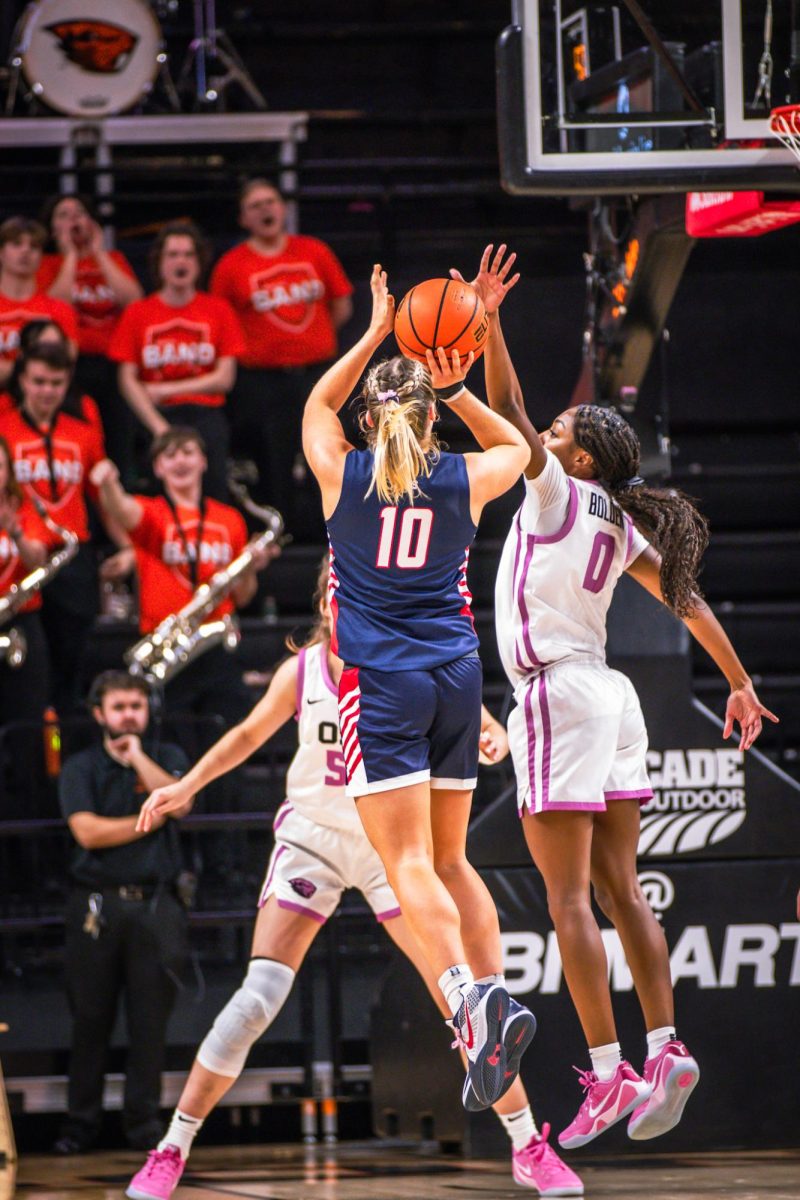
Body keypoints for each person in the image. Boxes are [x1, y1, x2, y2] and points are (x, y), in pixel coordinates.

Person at [127, 558, 583, 1199]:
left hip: (390, 851)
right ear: (327, 603)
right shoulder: (302, 671)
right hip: (312, 841)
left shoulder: (411, 666)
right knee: (258, 996)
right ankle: (171, 1147)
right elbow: (244, 737)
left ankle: (527, 1144)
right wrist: (187, 784)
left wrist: (494, 740)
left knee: (466, 1007)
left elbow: (484, 729)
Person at [459, 244, 779, 1149]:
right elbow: (688, 599)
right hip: (614, 698)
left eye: (563, 434)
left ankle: (607, 1075)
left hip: (558, 692)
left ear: (583, 460)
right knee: (622, 888)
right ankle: (667, 1047)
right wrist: (742, 680)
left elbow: (512, 413)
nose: (545, 438)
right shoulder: (619, 518)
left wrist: (488, 321)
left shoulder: (562, 492)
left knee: (567, 901)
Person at [301, 263, 535, 1112]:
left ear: (371, 417)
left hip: (388, 686)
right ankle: (490, 1000)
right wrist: (461, 387)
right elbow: (519, 448)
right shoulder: (459, 477)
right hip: (458, 676)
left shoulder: (344, 474)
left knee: (405, 865)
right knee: (449, 859)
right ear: (432, 417)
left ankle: (472, 1004)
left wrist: (372, 332)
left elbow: (316, 408)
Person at [54, 670, 192, 1155]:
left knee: (150, 1023)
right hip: (96, 905)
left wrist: (138, 758)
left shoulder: (167, 758)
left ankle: (144, 1128)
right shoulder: (81, 766)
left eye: (136, 705)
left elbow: (180, 802)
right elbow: (87, 832)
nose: (129, 714)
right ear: (99, 714)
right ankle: (79, 1126)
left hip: (156, 905)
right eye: (119, 707)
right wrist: (146, 822)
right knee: (89, 1020)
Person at [91, 426, 273, 742]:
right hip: (168, 650)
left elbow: (243, 597)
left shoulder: (231, 519)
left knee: (230, 739)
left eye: (188, 452)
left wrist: (249, 569)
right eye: (169, 454)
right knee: (174, 745)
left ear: (204, 461)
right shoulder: (151, 512)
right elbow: (119, 508)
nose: (180, 461)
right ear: (158, 467)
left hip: (215, 646)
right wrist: (107, 483)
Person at [210, 178, 353, 528]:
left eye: (270, 201)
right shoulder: (231, 265)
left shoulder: (313, 251)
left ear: (284, 208)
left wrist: (314, 341)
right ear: (243, 218)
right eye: (255, 205)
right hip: (262, 381)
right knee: (274, 456)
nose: (265, 210)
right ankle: (283, 533)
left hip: (317, 373)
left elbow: (342, 304)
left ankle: (336, 531)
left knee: (331, 449)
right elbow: (220, 321)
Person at [0, 341, 130, 712]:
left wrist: (127, 546)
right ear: (22, 381)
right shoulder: (4, 429)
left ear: (67, 382)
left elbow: (100, 497)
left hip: (73, 558)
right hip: (20, 559)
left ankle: (62, 747)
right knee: (30, 663)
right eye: (38, 381)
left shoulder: (82, 431)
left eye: (55, 383)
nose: (46, 391)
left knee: (72, 660)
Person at [110, 221, 245, 501]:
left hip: (206, 415)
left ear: (199, 262)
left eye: (188, 254)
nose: (180, 261)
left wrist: (164, 390)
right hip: (156, 418)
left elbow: (224, 378)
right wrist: (159, 427)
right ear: (159, 262)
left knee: (214, 494)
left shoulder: (218, 309)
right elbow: (127, 379)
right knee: (160, 501)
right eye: (172, 254)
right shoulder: (138, 313)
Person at [38, 193, 143, 482]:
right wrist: (70, 255)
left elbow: (133, 302)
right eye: (63, 214)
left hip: (114, 366)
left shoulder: (114, 259)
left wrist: (99, 253)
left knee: (119, 445)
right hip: (70, 366)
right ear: (51, 228)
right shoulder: (47, 264)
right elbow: (53, 307)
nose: (73, 219)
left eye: (79, 212)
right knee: (81, 442)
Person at [0, 433, 55, 729]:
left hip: (20, 618)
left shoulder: (22, 505)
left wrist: (15, 531)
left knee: (26, 717)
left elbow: (37, 561)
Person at [0, 217, 78, 386]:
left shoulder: (59, 310)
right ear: (1, 253)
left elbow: (63, 364)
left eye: (34, 246)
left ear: (41, 256)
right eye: (16, 244)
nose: (25, 251)